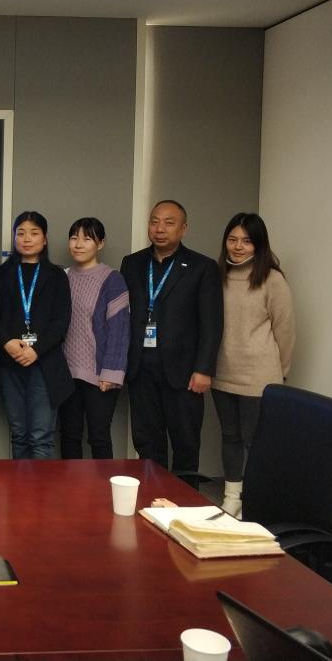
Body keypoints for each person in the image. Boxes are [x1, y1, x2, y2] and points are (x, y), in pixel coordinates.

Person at [120, 200, 222, 473]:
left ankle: (184, 497)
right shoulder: (132, 263)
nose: (160, 229)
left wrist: (204, 369)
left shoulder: (202, 267)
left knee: (185, 443)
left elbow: (212, 323)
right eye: (154, 222)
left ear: (183, 229)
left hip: (184, 372)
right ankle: (152, 495)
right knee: (147, 443)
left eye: (168, 223)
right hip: (140, 367)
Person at [212, 212, 294, 516]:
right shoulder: (216, 275)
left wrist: (281, 374)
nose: (238, 246)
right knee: (230, 436)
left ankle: (257, 502)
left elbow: (285, 330)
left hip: (259, 377)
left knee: (254, 442)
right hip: (221, 372)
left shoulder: (272, 279)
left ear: (259, 244)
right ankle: (232, 497)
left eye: (246, 241)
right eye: (232, 239)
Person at [0, 211, 72, 459]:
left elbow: (61, 321)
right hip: (9, 362)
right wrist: (6, 343)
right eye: (21, 233)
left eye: (34, 233)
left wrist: (36, 350)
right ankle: (20, 485)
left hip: (44, 363)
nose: (26, 239)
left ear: (44, 239)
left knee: (40, 437)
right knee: (18, 434)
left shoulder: (57, 275)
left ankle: (40, 487)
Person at [60, 217, 130, 459]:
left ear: (100, 244)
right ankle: (71, 483)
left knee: (99, 436)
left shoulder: (113, 279)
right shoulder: (62, 276)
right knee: (69, 435)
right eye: (74, 237)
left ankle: (102, 484)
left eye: (87, 238)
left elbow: (119, 331)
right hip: (66, 372)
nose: (78, 244)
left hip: (100, 374)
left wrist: (111, 372)